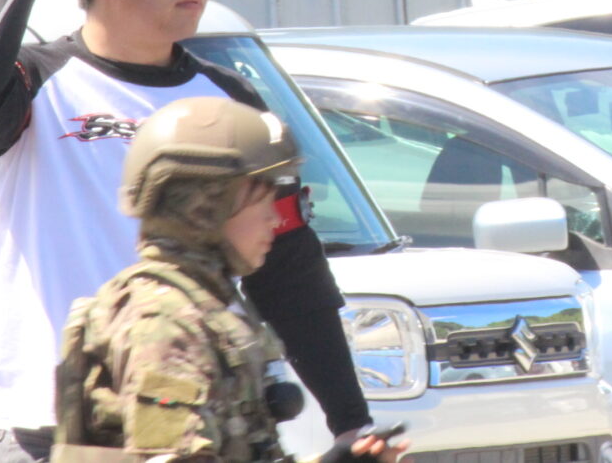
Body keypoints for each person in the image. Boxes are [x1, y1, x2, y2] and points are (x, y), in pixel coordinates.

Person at [0, 0, 371, 463]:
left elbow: (288, 266)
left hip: (200, 430)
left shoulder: (228, 101)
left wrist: (351, 422)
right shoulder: (34, 83)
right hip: (47, 430)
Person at [53, 96, 403, 463]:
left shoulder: (202, 309)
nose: (275, 219)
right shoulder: (165, 323)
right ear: (203, 206)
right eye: (263, 201)